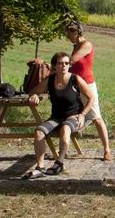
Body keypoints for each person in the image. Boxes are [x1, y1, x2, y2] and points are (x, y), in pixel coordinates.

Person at [24, 51, 94, 179]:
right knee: (39, 132)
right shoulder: (49, 80)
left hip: (74, 117)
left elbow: (91, 97)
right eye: (60, 63)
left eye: (66, 63)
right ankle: (40, 167)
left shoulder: (75, 79)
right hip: (56, 118)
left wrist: (83, 114)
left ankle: (59, 162)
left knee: (65, 128)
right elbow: (33, 91)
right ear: (54, 66)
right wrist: (34, 96)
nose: (64, 66)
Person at [65, 20, 113, 161]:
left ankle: (107, 150)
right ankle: (65, 148)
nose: (67, 36)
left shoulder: (86, 45)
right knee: (70, 115)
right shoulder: (75, 45)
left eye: (69, 33)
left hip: (87, 85)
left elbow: (72, 61)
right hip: (74, 85)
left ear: (77, 32)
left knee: (96, 118)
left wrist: (56, 64)